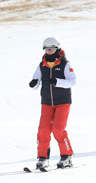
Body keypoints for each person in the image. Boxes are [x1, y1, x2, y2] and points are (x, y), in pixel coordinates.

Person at [29, 37, 75, 170]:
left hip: (63, 102)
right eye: (47, 49)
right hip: (47, 102)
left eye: (52, 49)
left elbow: (72, 81)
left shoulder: (65, 65)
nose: (49, 51)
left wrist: (57, 82)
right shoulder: (42, 65)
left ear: (57, 49)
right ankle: (42, 158)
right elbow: (36, 81)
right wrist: (33, 83)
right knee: (43, 130)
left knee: (58, 129)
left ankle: (66, 156)